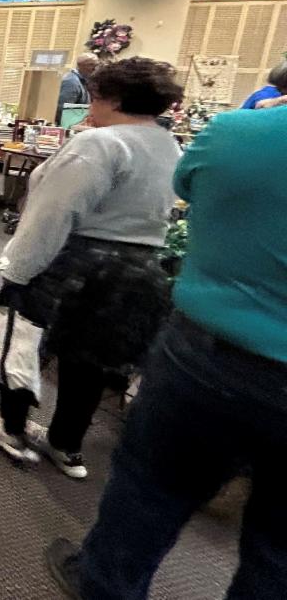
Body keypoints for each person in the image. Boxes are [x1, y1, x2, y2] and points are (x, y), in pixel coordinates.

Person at [45, 102, 287, 600]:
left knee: (151, 489)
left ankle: (104, 585)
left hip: (213, 353)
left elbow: (188, 186)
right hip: (219, 353)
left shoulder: (238, 131)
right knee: (279, 550)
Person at [0, 57, 183, 478]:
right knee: (91, 361)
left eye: (96, 96)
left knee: (24, 343)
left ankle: (13, 430)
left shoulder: (100, 143)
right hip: (140, 268)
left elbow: (53, 214)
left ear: (115, 98)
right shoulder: (169, 144)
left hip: (79, 263)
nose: (90, 104)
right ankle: (66, 445)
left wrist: (17, 271)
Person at [57, 53, 99, 126]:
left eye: (96, 65)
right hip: (69, 125)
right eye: (91, 65)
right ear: (80, 65)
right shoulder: (71, 82)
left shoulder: (84, 80)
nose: (94, 68)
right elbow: (63, 110)